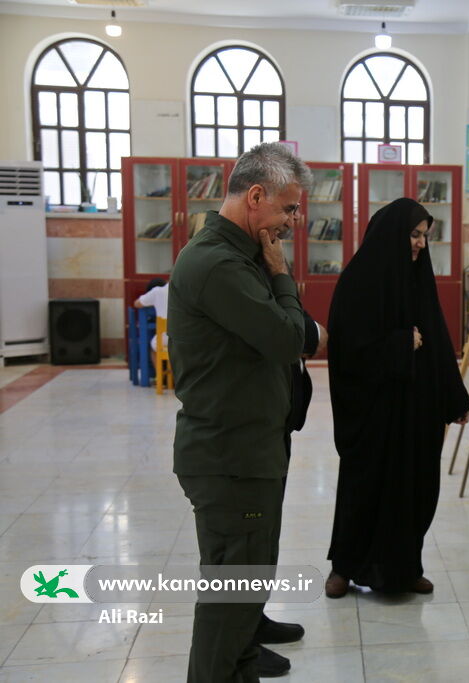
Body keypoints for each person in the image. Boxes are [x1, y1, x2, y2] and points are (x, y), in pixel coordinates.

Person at [169, 142, 312, 681]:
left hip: (252, 448)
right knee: (229, 602)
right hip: (229, 456)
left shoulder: (240, 253)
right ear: (255, 196)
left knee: (248, 580)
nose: (294, 222)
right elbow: (288, 337)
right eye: (288, 209)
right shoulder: (215, 263)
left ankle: (242, 669)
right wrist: (281, 277)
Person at [324, 197, 469, 598]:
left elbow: (439, 340)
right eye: (413, 234)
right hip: (373, 409)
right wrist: (400, 342)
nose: (420, 244)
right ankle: (345, 567)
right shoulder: (358, 281)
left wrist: (455, 398)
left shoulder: (419, 279)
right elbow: (347, 347)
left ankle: (405, 568)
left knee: (413, 487)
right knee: (365, 485)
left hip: (415, 409)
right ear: (391, 233)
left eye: (424, 236)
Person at [133, 277, 169, 367]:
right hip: (185, 337)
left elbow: (137, 303)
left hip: (165, 339)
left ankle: (160, 377)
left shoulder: (157, 292)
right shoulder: (185, 291)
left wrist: (153, 301)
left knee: (154, 347)